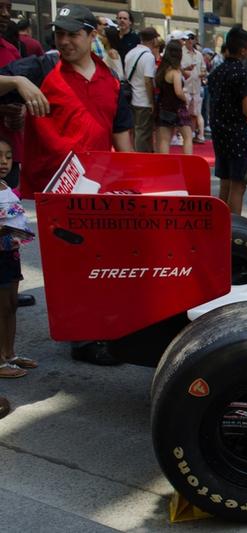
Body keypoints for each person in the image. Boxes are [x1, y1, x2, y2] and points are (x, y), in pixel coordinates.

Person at [0, 4, 132, 195]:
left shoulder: (111, 80)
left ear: (92, 35)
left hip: (93, 190)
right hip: (44, 190)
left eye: (72, 34)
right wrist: (17, 81)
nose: (63, 41)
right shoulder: (42, 67)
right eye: (59, 34)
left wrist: (130, 181)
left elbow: (122, 139)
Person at [208, 26, 247, 215]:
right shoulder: (243, 74)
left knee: (225, 182)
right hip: (239, 134)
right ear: (243, 50)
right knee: (238, 186)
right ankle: (234, 227)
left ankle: (220, 224)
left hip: (220, 133)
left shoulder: (217, 72)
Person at [0, 137, 34, 379]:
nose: (4, 162)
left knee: (11, 305)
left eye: (9, 156)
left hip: (10, 254)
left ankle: (9, 354)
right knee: (1, 308)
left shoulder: (5, 186)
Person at [154, 40, 192, 155]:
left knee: (164, 140)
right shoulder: (175, 72)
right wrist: (185, 99)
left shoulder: (161, 70)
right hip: (178, 107)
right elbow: (178, 92)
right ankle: (188, 163)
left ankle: (163, 164)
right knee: (187, 137)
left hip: (163, 106)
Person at [124, 27, 157, 153]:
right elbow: (148, 80)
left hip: (131, 97)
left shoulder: (130, 53)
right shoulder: (148, 56)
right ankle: (141, 157)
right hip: (143, 100)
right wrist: (151, 101)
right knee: (143, 132)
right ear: (153, 40)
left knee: (135, 131)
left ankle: (137, 154)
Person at [181, 32, 206, 143]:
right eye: (188, 38)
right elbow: (178, 68)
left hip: (196, 87)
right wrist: (186, 69)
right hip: (185, 87)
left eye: (192, 38)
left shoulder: (198, 54)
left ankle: (194, 135)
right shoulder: (181, 52)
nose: (190, 40)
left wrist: (202, 74)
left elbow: (204, 69)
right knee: (183, 113)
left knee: (195, 113)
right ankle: (183, 136)